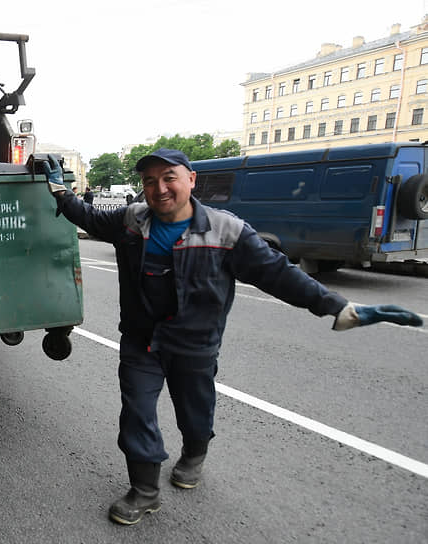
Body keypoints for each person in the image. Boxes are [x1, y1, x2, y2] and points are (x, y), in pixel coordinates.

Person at [42, 150, 423, 526]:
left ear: (191, 180)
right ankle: (144, 491)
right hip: (142, 342)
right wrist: (61, 191)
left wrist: (338, 307)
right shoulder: (131, 220)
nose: (159, 188)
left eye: (169, 177)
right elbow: (88, 216)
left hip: (195, 345)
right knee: (137, 413)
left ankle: (194, 452)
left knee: (194, 412)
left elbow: (279, 274)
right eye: (150, 181)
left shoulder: (228, 231)